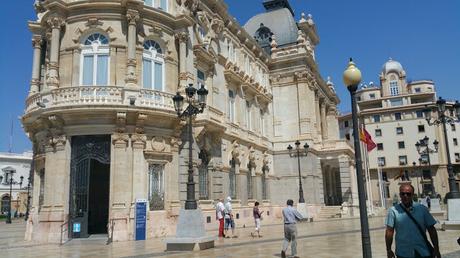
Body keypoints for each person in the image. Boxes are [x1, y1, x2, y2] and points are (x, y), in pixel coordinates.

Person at [385, 184, 441, 258]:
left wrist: (436, 248)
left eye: (408, 194)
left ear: (412, 195)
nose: (405, 196)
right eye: (403, 194)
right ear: (400, 195)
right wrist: (389, 250)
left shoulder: (422, 209)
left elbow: (432, 230)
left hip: (423, 251)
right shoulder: (393, 211)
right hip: (403, 252)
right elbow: (389, 231)